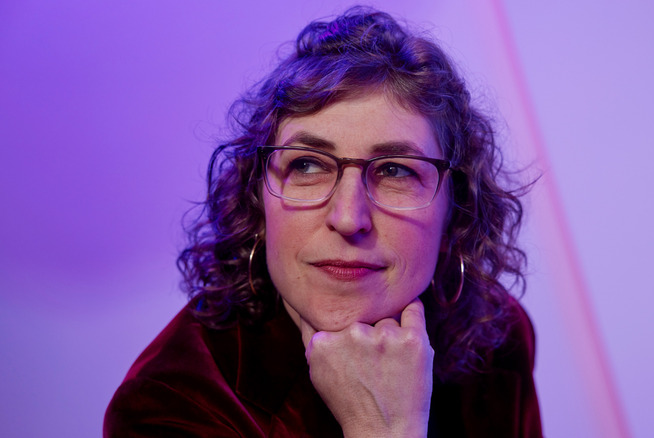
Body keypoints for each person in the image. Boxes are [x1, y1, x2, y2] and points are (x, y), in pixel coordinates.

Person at [105, 6, 542, 437]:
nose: (348, 218)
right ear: (257, 198)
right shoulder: (168, 405)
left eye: (395, 170)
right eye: (309, 166)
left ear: (457, 207)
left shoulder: (495, 340)